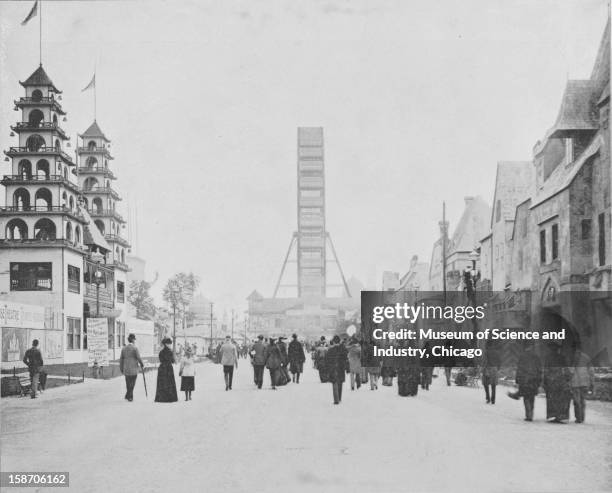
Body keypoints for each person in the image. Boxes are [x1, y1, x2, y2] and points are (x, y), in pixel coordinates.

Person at [509, 341, 542, 421]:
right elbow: (539, 369)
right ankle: (531, 413)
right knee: (532, 397)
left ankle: (529, 415)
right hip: (534, 380)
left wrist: (517, 380)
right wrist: (539, 379)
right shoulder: (536, 357)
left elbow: (519, 368)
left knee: (526, 397)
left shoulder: (523, 356)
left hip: (525, 380)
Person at [543, 343, 571, 423]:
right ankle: (561, 416)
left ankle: (553, 415)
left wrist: (545, 381)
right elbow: (566, 370)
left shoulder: (548, 358)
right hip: (561, 381)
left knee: (552, 399)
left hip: (551, 381)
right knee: (561, 399)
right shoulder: (562, 358)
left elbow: (546, 370)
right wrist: (567, 379)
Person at [569, 342, 594, 423]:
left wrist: (568, 380)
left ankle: (579, 418)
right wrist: (591, 382)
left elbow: (570, 370)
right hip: (584, 382)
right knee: (582, 400)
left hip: (575, 382)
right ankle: (582, 417)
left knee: (577, 401)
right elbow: (591, 371)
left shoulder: (572, 357)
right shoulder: (586, 357)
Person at [119, 333, 144, 402]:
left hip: (126, 369)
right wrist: (142, 364)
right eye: (134, 340)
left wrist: (121, 368)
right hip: (133, 369)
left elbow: (121, 359)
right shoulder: (135, 348)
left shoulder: (124, 349)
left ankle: (128, 395)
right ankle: (130, 396)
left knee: (128, 382)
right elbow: (138, 358)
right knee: (132, 383)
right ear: (133, 340)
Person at [324, 335, 349, 405]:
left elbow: (326, 360)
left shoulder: (331, 350)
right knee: (340, 382)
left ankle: (336, 399)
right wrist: (346, 367)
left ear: (334, 342)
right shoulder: (343, 348)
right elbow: (346, 357)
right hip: (341, 367)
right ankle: (340, 397)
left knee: (334, 382)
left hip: (333, 368)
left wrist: (327, 368)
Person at [155, 337, 178, 403]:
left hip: (162, 368)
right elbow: (173, 361)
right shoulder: (170, 352)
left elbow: (160, 360)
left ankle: (161, 398)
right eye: (169, 344)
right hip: (168, 368)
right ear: (166, 344)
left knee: (162, 383)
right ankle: (169, 398)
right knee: (169, 382)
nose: (170, 345)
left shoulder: (161, 352)